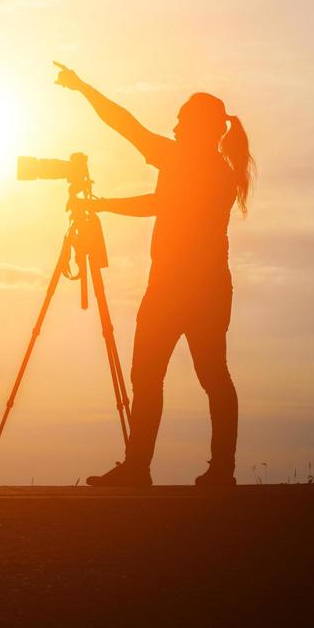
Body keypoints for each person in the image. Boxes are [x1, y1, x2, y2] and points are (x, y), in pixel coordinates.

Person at [54, 62, 254, 487]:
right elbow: (159, 197)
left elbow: (126, 128)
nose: (176, 126)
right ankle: (214, 471)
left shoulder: (190, 162)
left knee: (161, 376)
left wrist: (83, 87)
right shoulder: (215, 168)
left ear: (200, 127)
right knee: (207, 375)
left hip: (175, 287)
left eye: (182, 120)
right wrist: (104, 205)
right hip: (207, 288)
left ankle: (144, 467)